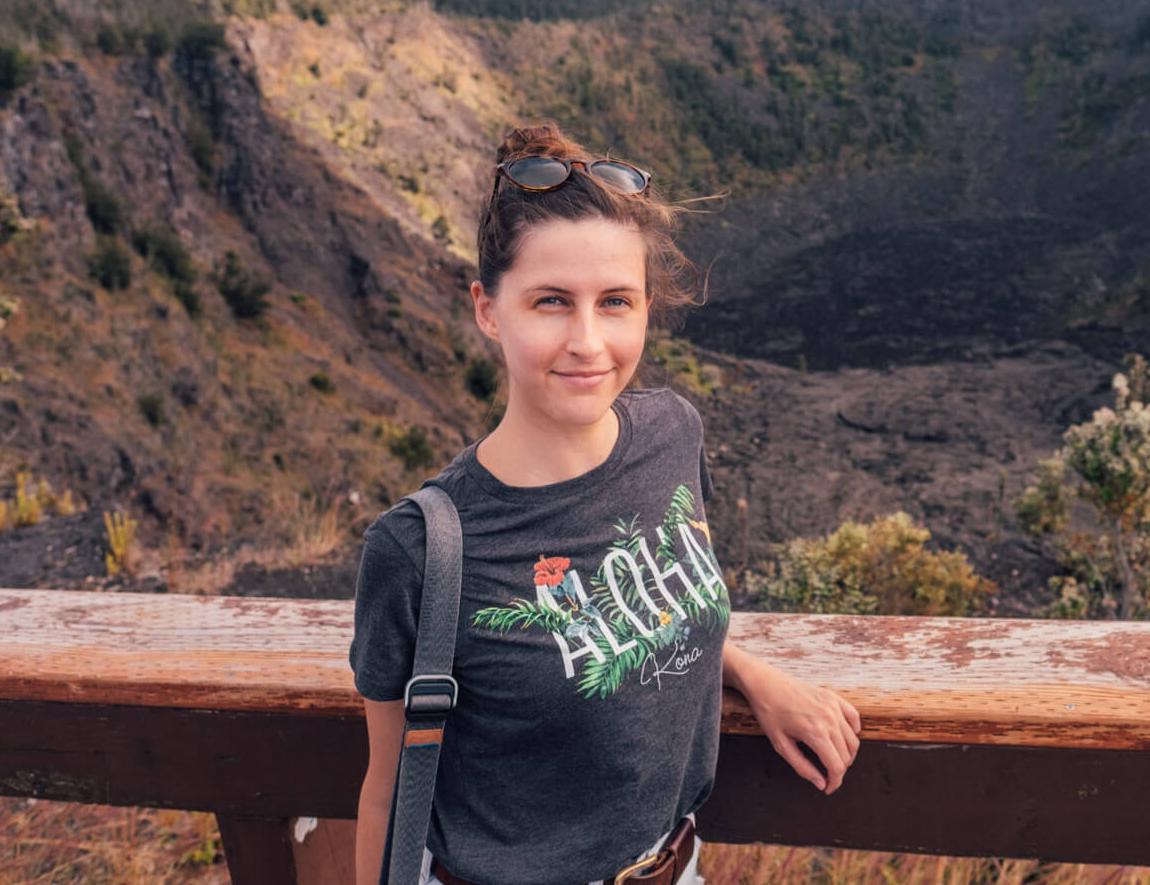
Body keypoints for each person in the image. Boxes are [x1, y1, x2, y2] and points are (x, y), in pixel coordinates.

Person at [350, 122, 862, 885]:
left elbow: (638, 617)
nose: (588, 341)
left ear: (648, 306)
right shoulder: (421, 551)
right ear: (489, 309)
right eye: (552, 302)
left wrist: (753, 675)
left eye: (615, 302)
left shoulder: (672, 436)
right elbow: (389, 790)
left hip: (675, 863)